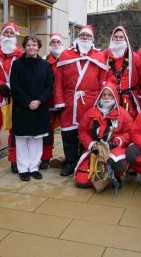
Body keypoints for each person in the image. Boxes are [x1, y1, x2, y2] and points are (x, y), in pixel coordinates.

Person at [53, 25, 107, 176]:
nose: (84, 38)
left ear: (92, 39)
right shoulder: (65, 54)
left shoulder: (99, 56)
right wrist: (59, 100)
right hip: (70, 99)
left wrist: (100, 104)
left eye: (87, 36)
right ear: (77, 37)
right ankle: (70, 162)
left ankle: (84, 162)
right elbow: (58, 81)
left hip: (90, 100)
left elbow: (103, 80)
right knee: (68, 133)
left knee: (88, 132)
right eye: (82, 35)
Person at [10, 36, 54, 181]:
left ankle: (34, 167)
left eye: (34, 45)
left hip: (39, 107)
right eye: (28, 45)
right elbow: (15, 87)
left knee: (37, 139)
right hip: (22, 107)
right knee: (22, 140)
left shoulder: (45, 65)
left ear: (38, 47)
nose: (31, 48)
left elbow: (49, 86)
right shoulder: (16, 64)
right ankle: (23, 169)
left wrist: (39, 101)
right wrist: (28, 102)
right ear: (24, 47)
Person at [74, 82, 133, 188]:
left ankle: (116, 175)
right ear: (100, 95)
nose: (106, 97)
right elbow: (82, 131)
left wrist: (114, 142)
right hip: (93, 150)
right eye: (104, 94)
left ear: (114, 96)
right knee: (81, 182)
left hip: (114, 149)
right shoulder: (90, 112)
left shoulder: (123, 114)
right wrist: (91, 144)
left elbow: (129, 132)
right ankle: (99, 172)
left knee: (118, 164)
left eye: (109, 95)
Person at [0, 22, 23, 175]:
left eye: (11, 34)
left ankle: (14, 161)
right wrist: (0, 85)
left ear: (15, 37)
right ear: (1, 35)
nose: (8, 36)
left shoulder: (21, 54)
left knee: (15, 132)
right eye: (6, 33)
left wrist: (14, 87)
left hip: (14, 99)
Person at [104, 26, 141, 118]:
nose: (118, 39)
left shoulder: (134, 57)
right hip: (110, 98)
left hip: (128, 99)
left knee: (128, 123)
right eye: (115, 37)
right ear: (112, 38)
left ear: (125, 39)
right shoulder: (104, 55)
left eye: (121, 37)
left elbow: (139, 76)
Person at [42, 33, 65, 169]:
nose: (56, 45)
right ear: (50, 46)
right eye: (53, 43)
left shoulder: (68, 59)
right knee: (47, 131)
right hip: (49, 101)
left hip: (64, 100)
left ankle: (69, 156)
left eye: (58, 42)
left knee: (67, 131)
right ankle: (45, 157)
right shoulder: (44, 60)